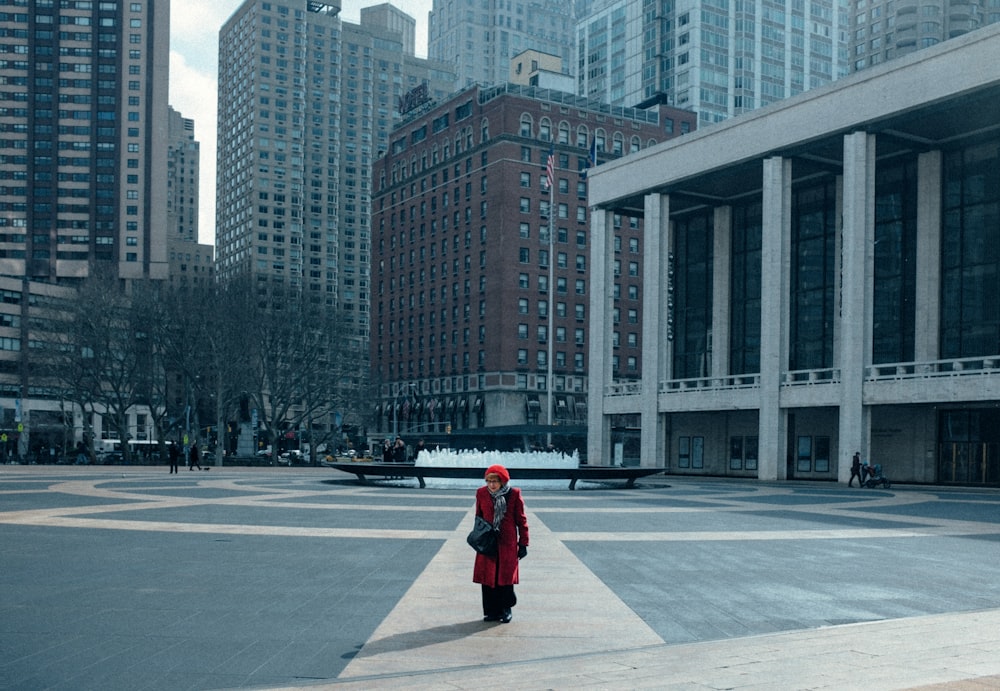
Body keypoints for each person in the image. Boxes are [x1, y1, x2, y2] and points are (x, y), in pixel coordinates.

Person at [473, 464, 529, 624]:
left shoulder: (514, 494)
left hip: (507, 542)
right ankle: (491, 611)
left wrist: (523, 543)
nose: (491, 485)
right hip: (488, 542)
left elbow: (521, 520)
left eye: (495, 481)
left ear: (502, 481)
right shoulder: (481, 493)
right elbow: (478, 516)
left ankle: (506, 609)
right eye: (489, 481)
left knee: (505, 578)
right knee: (488, 577)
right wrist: (479, 537)